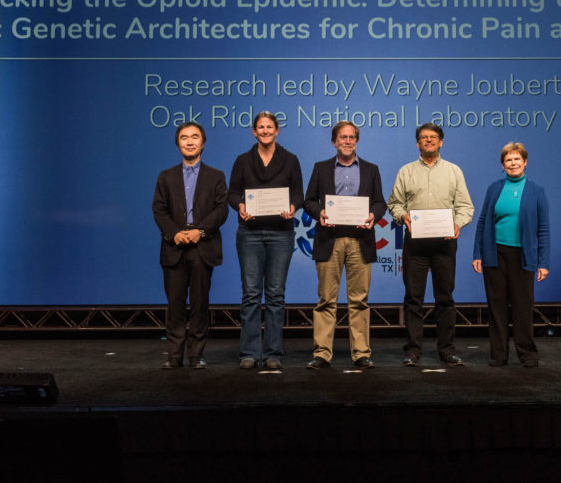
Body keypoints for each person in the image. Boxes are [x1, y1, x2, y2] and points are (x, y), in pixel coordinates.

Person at [387, 122, 474, 367]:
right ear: (417, 143)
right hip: (415, 244)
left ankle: (446, 350)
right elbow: (394, 203)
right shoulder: (406, 171)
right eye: (424, 137)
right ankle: (413, 351)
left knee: (445, 298)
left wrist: (458, 224)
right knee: (413, 299)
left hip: (445, 244)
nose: (428, 140)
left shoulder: (454, 171)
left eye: (433, 137)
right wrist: (403, 216)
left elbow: (465, 206)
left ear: (441, 142)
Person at [302, 121, 387, 370]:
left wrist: (374, 215)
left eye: (351, 137)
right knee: (325, 300)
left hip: (361, 241)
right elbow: (308, 201)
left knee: (359, 300)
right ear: (334, 141)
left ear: (356, 141)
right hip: (330, 240)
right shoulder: (321, 168)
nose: (347, 141)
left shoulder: (371, 169)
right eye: (342, 137)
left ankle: (361, 353)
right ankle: (322, 354)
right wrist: (320, 213)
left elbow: (380, 202)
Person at [227, 111, 304, 370]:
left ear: (277, 130)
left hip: (281, 233)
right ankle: (248, 353)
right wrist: (239, 205)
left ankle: (273, 354)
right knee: (250, 295)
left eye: (269, 127)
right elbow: (233, 193)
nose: (265, 131)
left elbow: (298, 193)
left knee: (275, 295)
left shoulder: (290, 159)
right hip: (249, 233)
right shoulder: (242, 160)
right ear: (254, 132)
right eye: (260, 127)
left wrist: (293, 207)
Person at [152, 122, 229, 370]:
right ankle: (174, 356)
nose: (189, 141)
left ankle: (196, 356)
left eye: (194, 137)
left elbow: (221, 209)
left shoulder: (216, 176)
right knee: (175, 306)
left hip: (202, 247)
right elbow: (159, 209)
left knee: (199, 305)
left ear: (203, 143)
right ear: (178, 144)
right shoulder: (165, 176)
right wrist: (174, 233)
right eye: (184, 137)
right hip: (174, 248)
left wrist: (201, 231)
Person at [472, 142, 550, 368]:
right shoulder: (494, 188)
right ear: (502, 165)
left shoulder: (537, 191)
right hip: (494, 253)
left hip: (523, 255)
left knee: (522, 307)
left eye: (517, 159)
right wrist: (478, 253)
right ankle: (499, 355)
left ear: (525, 162)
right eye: (508, 160)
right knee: (496, 306)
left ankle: (527, 354)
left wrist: (543, 262)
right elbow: (483, 222)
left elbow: (543, 229)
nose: (513, 163)